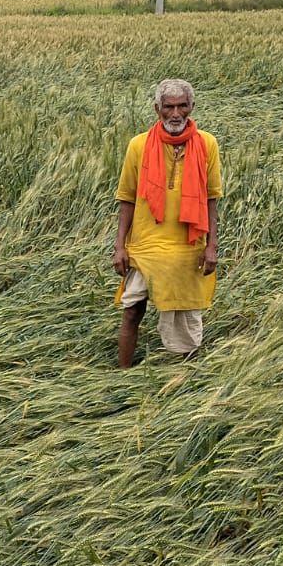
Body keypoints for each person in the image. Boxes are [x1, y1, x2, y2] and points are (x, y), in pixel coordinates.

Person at [111, 79, 224, 368]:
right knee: (132, 311)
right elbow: (127, 198)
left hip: (188, 248)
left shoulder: (207, 144)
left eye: (182, 106)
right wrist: (119, 246)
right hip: (145, 247)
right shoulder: (138, 145)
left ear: (192, 107)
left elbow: (212, 198)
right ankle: (122, 375)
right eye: (169, 107)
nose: (175, 114)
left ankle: (187, 380)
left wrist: (212, 246)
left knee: (187, 319)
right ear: (157, 109)